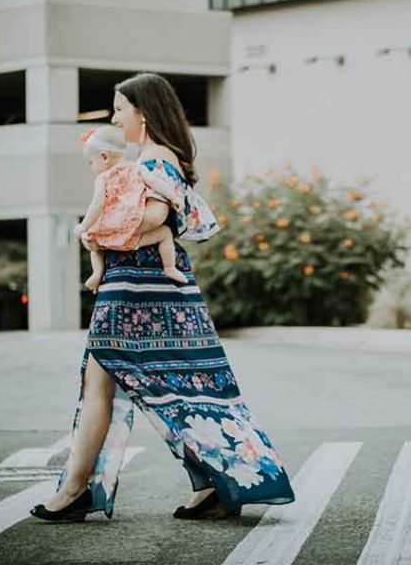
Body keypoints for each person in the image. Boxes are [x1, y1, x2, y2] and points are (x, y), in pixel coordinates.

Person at [31, 73, 293, 522]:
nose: (114, 117)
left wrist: (102, 233)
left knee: (107, 383)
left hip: (137, 287)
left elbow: (157, 219)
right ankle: (218, 481)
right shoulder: (155, 161)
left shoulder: (152, 163)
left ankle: (76, 489)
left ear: (144, 114)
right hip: (148, 286)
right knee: (183, 384)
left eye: (119, 109)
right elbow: (171, 221)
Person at [74, 125, 188, 291]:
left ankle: (97, 273)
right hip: (135, 223)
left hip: (112, 227)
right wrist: (174, 197)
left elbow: (97, 205)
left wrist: (84, 226)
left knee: (93, 242)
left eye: (91, 162)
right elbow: (156, 183)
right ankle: (169, 268)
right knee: (165, 234)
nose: (91, 167)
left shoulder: (103, 178)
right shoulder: (137, 167)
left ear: (104, 157)